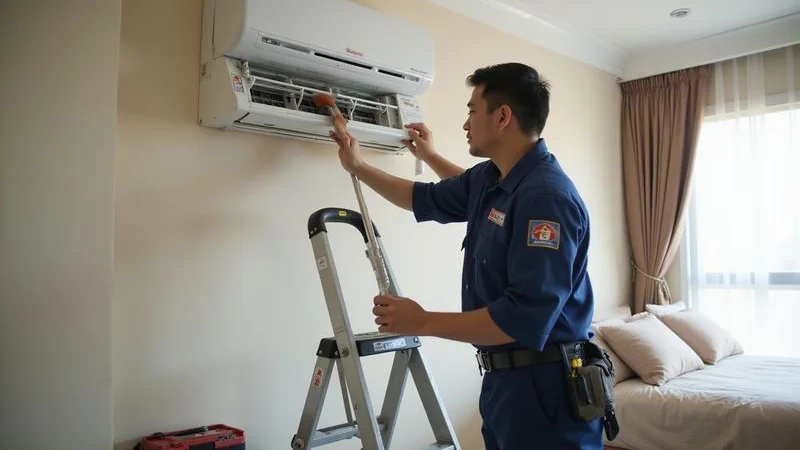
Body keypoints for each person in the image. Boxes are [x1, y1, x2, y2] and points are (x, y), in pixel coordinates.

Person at [328, 62, 603, 450]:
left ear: (503, 116)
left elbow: (522, 318)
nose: (465, 122)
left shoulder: (546, 199)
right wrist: (358, 165)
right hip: (504, 385)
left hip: (544, 390)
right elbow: (422, 198)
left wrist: (421, 321)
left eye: (472, 110)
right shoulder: (493, 179)